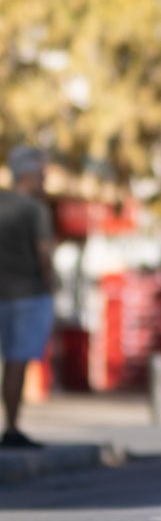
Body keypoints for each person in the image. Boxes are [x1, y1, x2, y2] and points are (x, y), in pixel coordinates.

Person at [0, 146, 56, 450]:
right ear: (28, 173)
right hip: (27, 294)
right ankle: (11, 428)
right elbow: (44, 253)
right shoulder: (35, 210)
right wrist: (50, 286)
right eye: (42, 172)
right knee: (16, 362)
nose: (45, 178)